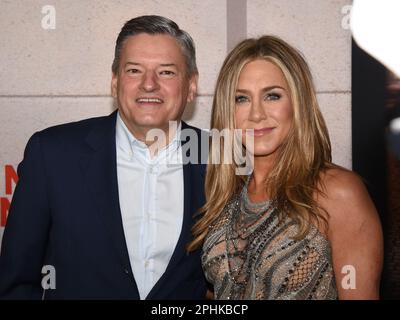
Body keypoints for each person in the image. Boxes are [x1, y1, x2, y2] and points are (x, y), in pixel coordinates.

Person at [0, 15, 207, 299]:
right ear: (114, 81)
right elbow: (16, 281)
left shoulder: (220, 159)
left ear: (192, 85)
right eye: (134, 70)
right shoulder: (52, 155)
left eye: (167, 72)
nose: (149, 84)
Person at [188, 35, 384, 299]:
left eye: (272, 96)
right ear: (227, 109)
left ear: (298, 103)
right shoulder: (223, 193)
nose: (256, 114)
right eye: (241, 99)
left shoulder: (338, 193)